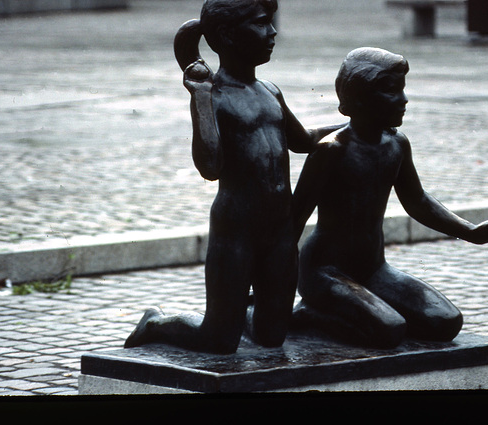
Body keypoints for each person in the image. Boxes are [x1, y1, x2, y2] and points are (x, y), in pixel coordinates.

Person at [125, 0, 342, 354]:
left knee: (272, 335)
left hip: (279, 230)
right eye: (261, 24)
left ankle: (239, 310)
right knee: (218, 340)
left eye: (271, 22)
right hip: (236, 229)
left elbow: (303, 140)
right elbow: (210, 166)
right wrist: (200, 97)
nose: (272, 33)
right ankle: (156, 322)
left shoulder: (270, 92)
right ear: (226, 36)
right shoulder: (215, 97)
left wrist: (354, 125)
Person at [291, 47, 488, 349]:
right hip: (324, 273)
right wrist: (269, 282)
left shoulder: (396, 144)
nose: (404, 99)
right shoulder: (331, 151)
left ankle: (360, 306)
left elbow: (418, 201)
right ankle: (309, 314)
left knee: (445, 322)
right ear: (360, 97)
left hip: (373, 269)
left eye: (402, 89)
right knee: (389, 330)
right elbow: (294, 218)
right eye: (392, 91)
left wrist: (470, 232)